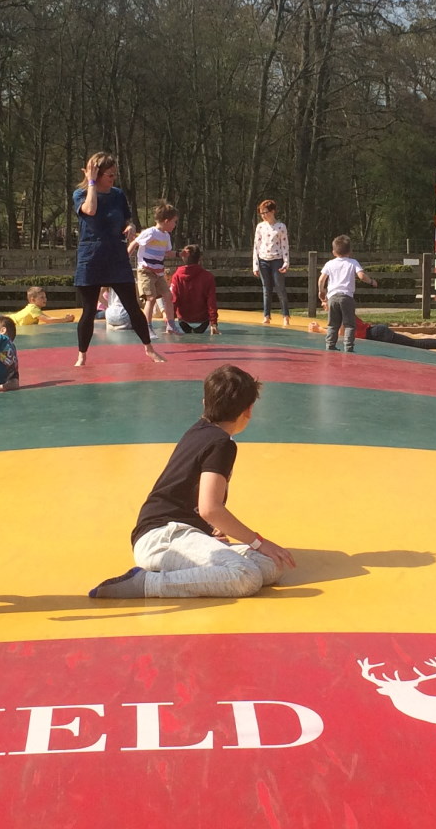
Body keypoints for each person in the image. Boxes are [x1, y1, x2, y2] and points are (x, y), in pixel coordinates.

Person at [89, 365, 295, 599]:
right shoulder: (222, 443)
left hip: (178, 534)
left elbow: (195, 502)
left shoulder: (201, 430)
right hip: (163, 538)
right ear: (248, 410)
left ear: (204, 401)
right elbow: (211, 508)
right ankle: (144, 583)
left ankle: (180, 572)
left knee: (272, 565)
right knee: (246, 576)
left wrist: (206, 533)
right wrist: (259, 542)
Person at [73, 151, 164, 367]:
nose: (113, 178)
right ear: (97, 174)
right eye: (109, 175)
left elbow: (127, 220)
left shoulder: (118, 195)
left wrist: (130, 227)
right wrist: (92, 183)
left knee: (132, 306)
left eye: (114, 174)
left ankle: (149, 349)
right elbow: (91, 210)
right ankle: (82, 355)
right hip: (91, 256)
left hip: (116, 254)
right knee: (88, 309)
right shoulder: (81, 194)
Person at [318, 235, 379, 352]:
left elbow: (321, 279)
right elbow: (361, 276)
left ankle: (330, 345)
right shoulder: (353, 262)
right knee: (349, 324)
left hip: (332, 297)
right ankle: (348, 347)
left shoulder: (329, 264)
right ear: (350, 251)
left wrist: (321, 291)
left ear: (333, 252)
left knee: (333, 324)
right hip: (346, 297)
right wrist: (371, 281)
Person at [130, 203, 181, 335]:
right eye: (174, 222)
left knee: (168, 296)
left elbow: (167, 252)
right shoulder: (150, 232)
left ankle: (170, 325)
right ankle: (147, 327)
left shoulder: (166, 236)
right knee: (151, 299)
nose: (175, 225)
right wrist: (124, 259)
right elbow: (135, 243)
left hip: (159, 272)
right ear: (166, 221)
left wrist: (179, 254)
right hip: (146, 271)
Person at [307, 318, 436, 358]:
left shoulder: (341, 310)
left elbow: (341, 333)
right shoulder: (337, 311)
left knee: (417, 344)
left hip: (378, 335)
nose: (322, 304)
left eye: (324, 301)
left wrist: (320, 329)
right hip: (375, 337)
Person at [0, 285, 75, 330]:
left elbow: (48, 319)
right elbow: (48, 320)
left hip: (5, 322)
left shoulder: (34, 309)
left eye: (45, 297)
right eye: (42, 297)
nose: (45, 300)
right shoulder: (33, 308)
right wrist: (65, 319)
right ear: (33, 300)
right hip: (2, 322)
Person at [251, 199, 292, 327]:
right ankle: (266, 315)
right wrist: (255, 264)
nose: (263, 215)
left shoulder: (281, 227)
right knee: (266, 289)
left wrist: (286, 262)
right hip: (263, 260)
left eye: (265, 212)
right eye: (261, 213)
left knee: (280, 288)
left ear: (273, 211)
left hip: (277, 259)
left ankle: (285, 315)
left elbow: (285, 245)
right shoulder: (260, 227)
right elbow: (256, 246)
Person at [168, 244, 220, 335]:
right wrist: (213, 323)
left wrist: (170, 323)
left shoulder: (177, 276)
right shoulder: (208, 277)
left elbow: (174, 300)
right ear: (199, 258)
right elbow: (211, 301)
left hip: (183, 321)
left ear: (183, 257)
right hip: (203, 321)